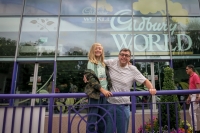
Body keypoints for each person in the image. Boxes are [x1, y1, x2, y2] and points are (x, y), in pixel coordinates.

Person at [104, 48, 157, 133]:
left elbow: (145, 81)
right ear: (119, 55)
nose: (124, 57)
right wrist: (88, 74)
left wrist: (151, 88)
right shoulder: (112, 62)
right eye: (122, 54)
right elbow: (97, 62)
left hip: (123, 106)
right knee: (108, 131)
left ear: (130, 58)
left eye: (127, 55)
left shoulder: (133, 69)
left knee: (122, 131)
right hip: (110, 104)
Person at [83, 43, 112, 133]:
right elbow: (91, 78)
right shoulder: (91, 62)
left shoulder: (103, 63)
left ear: (102, 51)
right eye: (96, 48)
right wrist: (102, 90)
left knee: (103, 120)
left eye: (100, 49)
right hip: (95, 95)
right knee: (92, 120)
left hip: (105, 95)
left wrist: (128, 63)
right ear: (92, 50)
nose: (98, 50)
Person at [185, 65, 200, 133]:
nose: (186, 70)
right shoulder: (191, 77)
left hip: (195, 95)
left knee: (192, 111)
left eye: (187, 69)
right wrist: (189, 98)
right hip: (192, 95)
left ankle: (195, 129)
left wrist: (197, 97)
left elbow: (198, 87)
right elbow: (191, 88)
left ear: (191, 69)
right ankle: (195, 129)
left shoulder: (195, 76)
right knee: (196, 113)